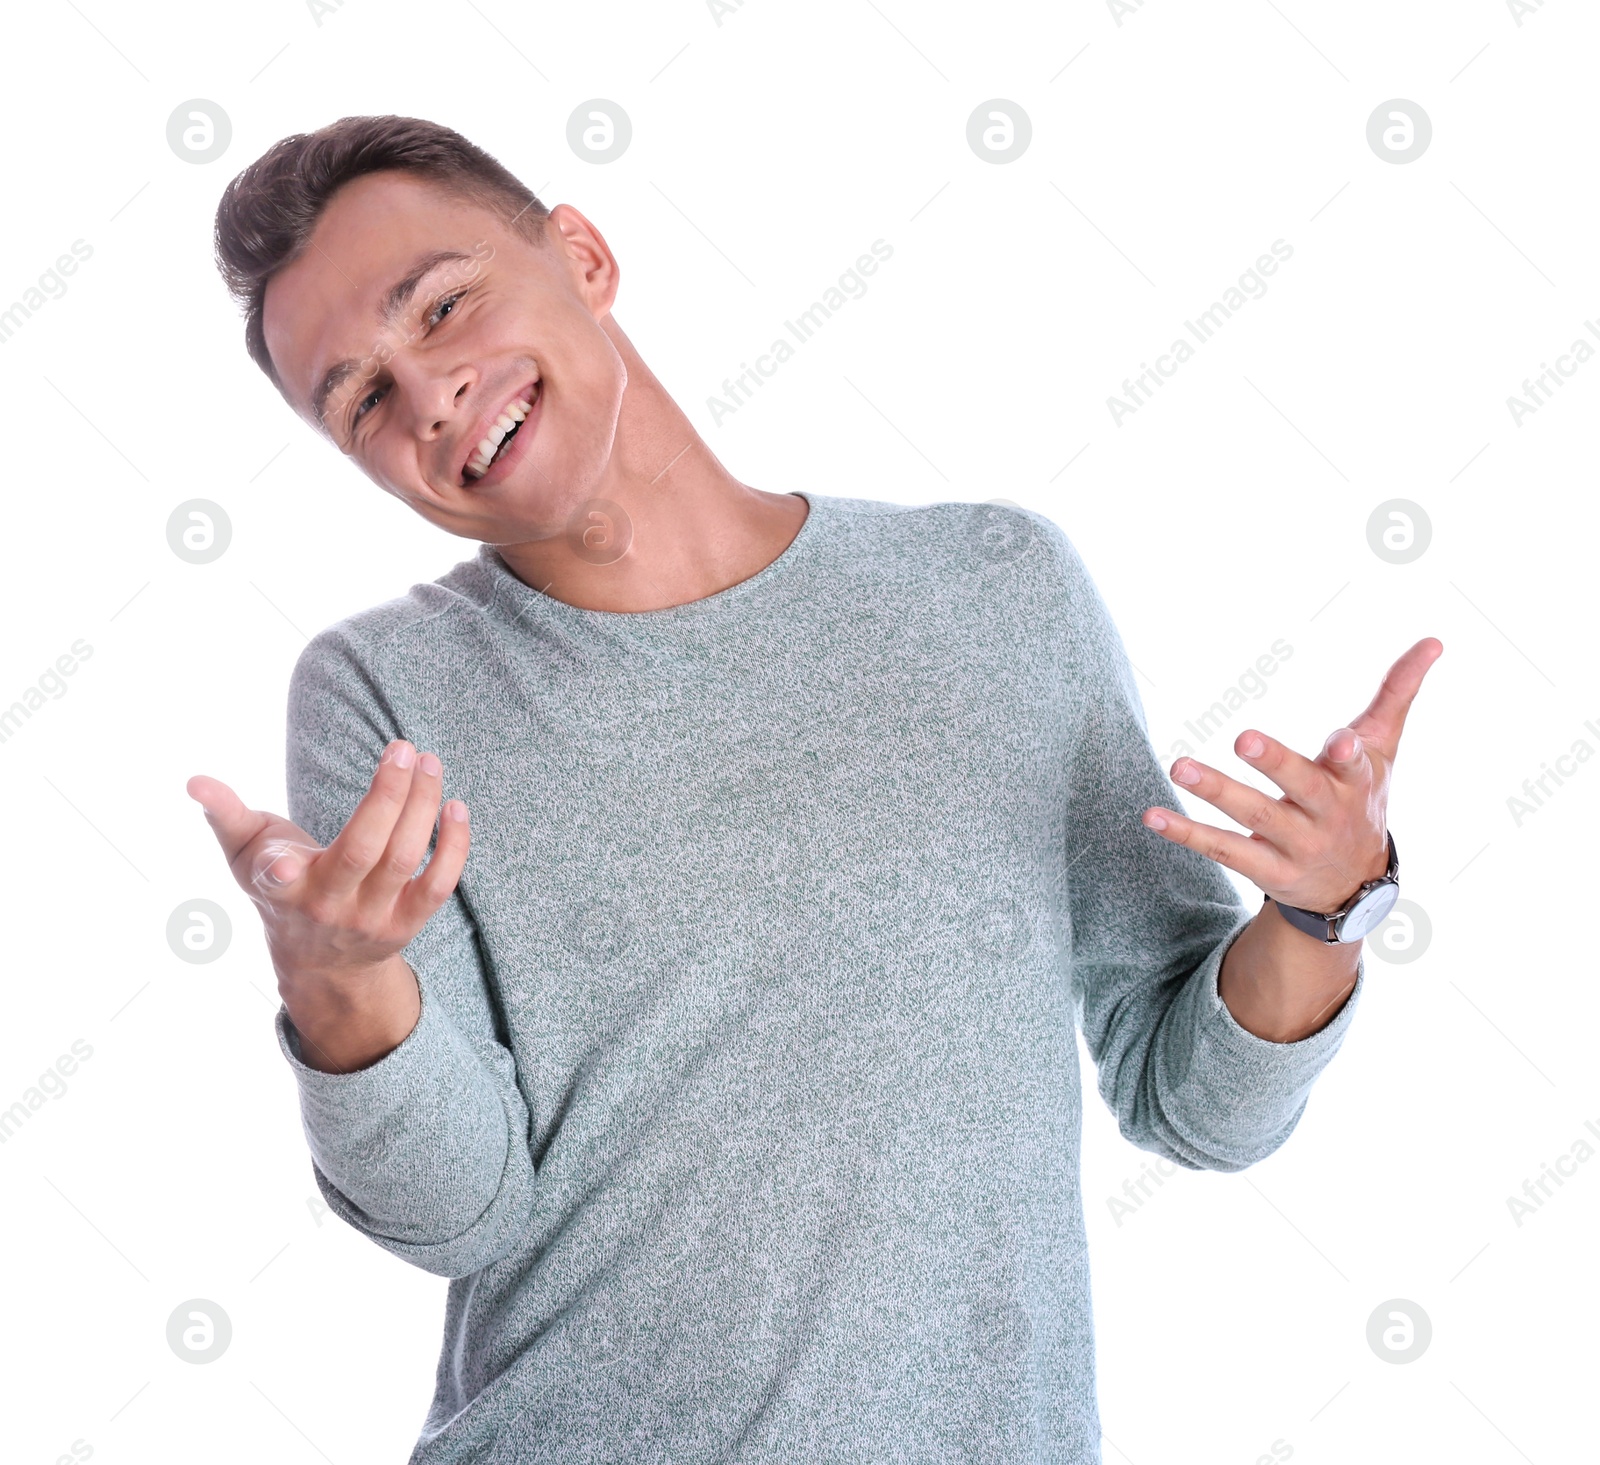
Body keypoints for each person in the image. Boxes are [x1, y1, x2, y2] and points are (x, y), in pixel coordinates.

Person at [189, 114, 1441, 1463]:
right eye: (362, 400)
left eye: (441, 305)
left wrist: (1325, 914)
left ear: (584, 255)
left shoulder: (994, 589)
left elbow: (1194, 1097)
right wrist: (339, 983)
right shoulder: (386, 696)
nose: (427, 394)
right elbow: (458, 1211)